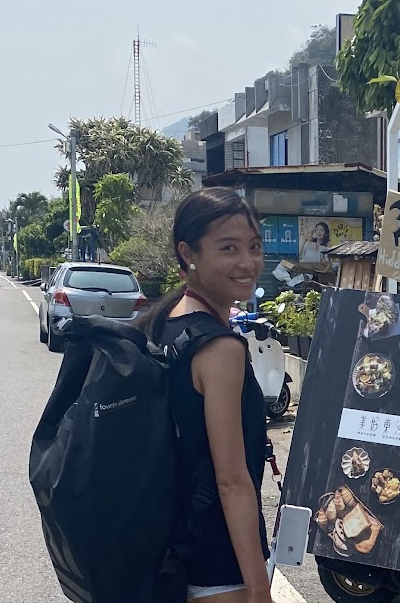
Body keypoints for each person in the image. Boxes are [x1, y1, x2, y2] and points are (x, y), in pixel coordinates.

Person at [137, 188, 270, 603]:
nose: (247, 262)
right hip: (217, 559)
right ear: (188, 253)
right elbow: (231, 482)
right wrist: (259, 589)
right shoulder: (220, 349)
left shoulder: (163, 323)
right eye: (228, 248)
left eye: (254, 247)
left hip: (168, 545)